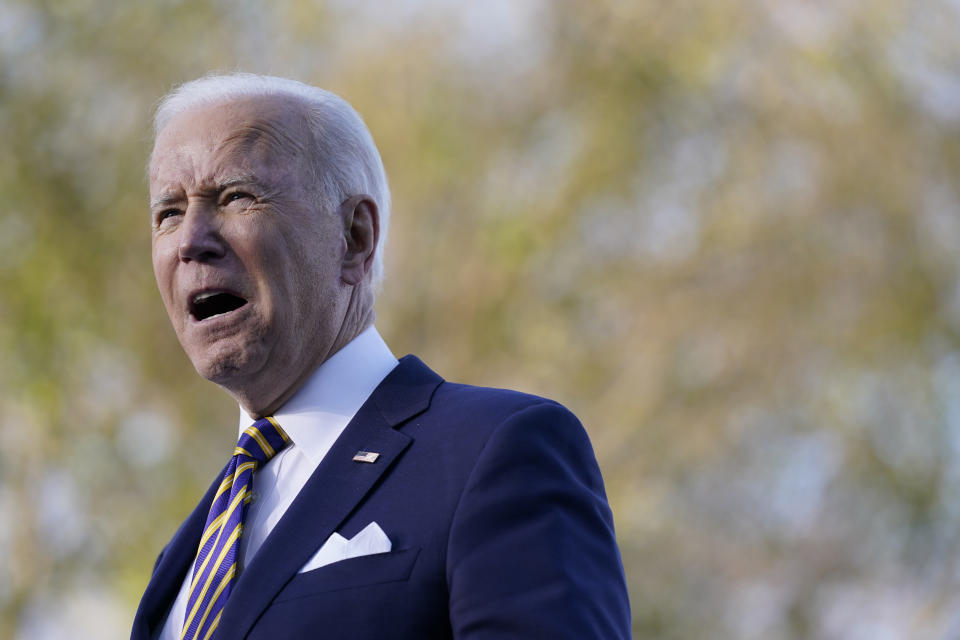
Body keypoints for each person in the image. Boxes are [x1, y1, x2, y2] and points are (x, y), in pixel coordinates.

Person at [131, 73, 631, 640]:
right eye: (168, 213)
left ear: (354, 237)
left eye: (236, 197)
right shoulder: (187, 556)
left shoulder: (495, 450)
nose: (191, 239)